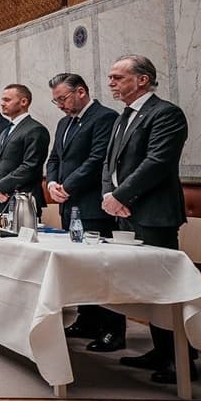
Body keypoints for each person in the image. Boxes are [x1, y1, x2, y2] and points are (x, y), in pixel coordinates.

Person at [101, 55, 192, 385]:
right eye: (110, 77)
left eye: (117, 77)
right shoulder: (123, 116)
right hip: (125, 211)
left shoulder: (165, 113)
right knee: (145, 286)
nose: (111, 82)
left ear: (142, 80)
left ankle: (180, 357)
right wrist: (109, 196)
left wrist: (120, 196)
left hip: (154, 212)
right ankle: (159, 349)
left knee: (161, 284)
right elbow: (108, 163)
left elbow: (157, 162)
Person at [45, 72, 122, 352]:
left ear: (81, 92)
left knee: (101, 268)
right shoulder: (64, 122)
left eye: (63, 99)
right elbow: (54, 158)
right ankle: (86, 319)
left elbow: (97, 159)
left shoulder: (104, 117)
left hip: (92, 204)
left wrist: (68, 185)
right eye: (56, 102)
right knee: (79, 268)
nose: (61, 105)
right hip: (68, 203)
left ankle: (113, 328)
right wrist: (52, 183)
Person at [0, 84, 50, 211]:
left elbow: (30, 166)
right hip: (1, 198)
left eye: (7, 100)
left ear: (23, 102)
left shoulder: (35, 129)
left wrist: (1, 186)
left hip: (24, 199)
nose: (2, 104)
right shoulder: (5, 131)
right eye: (2, 100)